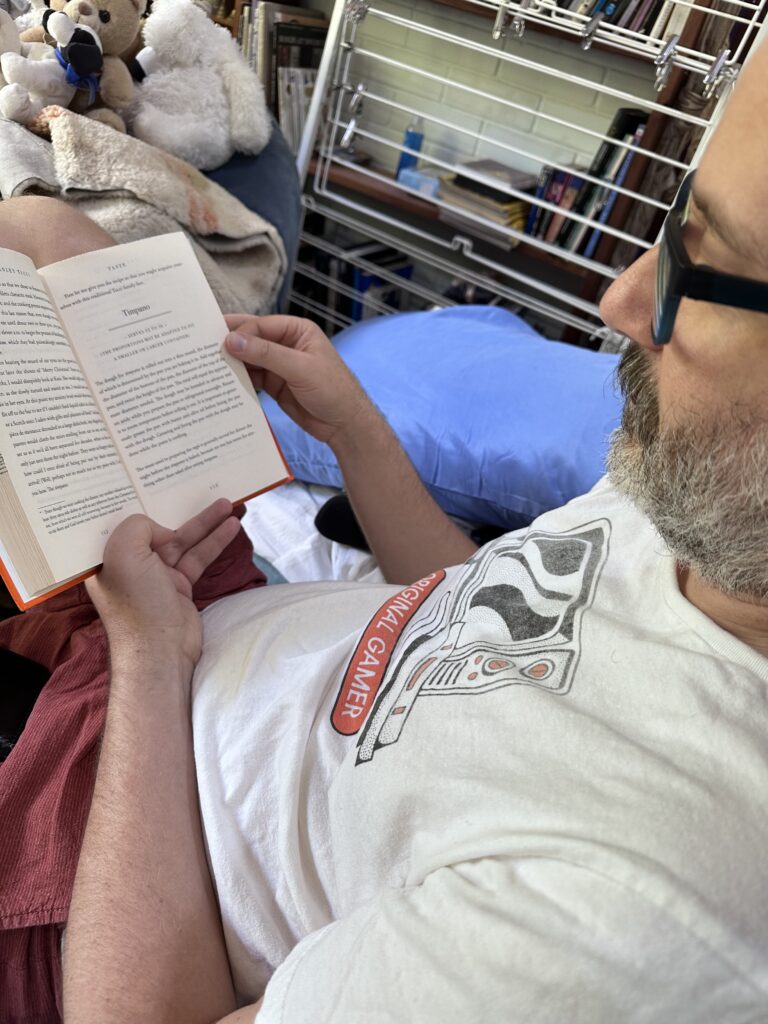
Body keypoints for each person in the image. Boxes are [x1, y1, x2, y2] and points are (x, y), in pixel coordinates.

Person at [9, 35, 768, 1023]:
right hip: (209, 610)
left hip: (119, 845)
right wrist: (354, 427)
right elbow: (489, 622)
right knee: (39, 234)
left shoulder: (633, 923)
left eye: (699, 272)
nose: (620, 299)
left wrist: (150, 656)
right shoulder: (710, 508)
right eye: (672, 227)